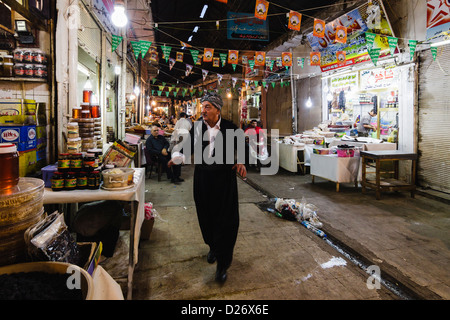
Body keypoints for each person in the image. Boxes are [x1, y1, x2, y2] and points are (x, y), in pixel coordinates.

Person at [168, 93, 247, 283]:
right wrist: (176, 157)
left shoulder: (230, 127)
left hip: (225, 180)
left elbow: (243, 146)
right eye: (202, 107)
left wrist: (242, 162)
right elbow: (186, 148)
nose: (203, 110)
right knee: (206, 216)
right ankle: (212, 245)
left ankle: (222, 264)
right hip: (203, 178)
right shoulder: (197, 127)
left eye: (207, 107)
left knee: (227, 221)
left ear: (217, 109)